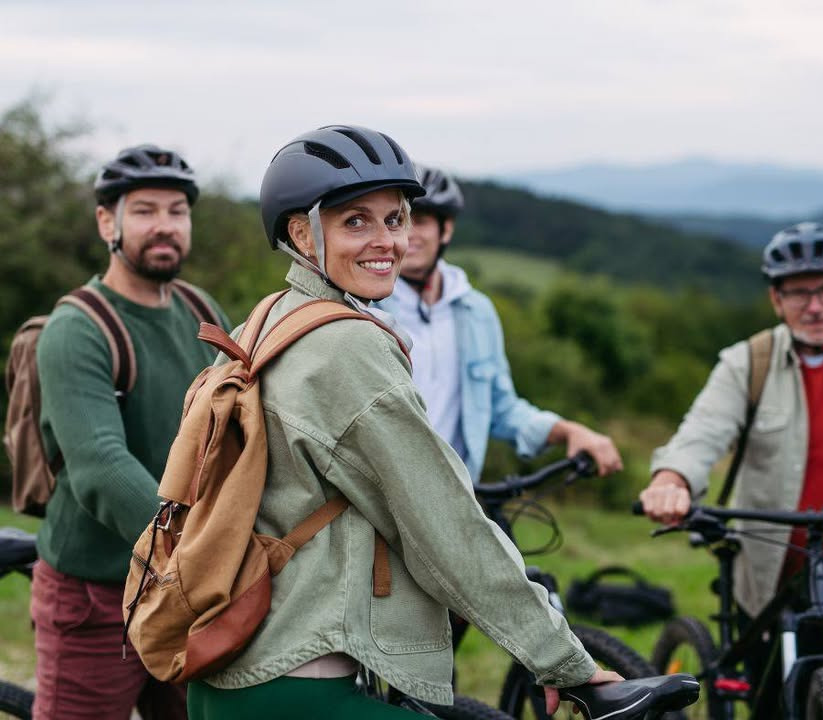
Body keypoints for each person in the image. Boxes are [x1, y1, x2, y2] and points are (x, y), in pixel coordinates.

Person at [186, 126, 620, 720]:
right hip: (300, 685)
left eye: (395, 219)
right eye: (355, 221)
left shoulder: (265, 321)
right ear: (301, 234)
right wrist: (564, 662)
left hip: (231, 672)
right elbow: (444, 524)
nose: (387, 241)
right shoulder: (347, 347)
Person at [31, 144, 231, 720]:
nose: (164, 225)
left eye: (177, 210)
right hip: (96, 596)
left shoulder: (199, 310)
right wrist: (203, 553)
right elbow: (101, 466)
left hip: (189, 594)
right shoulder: (78, 328)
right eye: (144, 211)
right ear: (107, 223)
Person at [639, 222, 823, 691]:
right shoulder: (748, 362)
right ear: (776, 299)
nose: (815, 306)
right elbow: (702, 431)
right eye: (798, 292)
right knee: (770, 696)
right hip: (771, 583)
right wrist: (672, 480)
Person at [376, 165, 623, 483]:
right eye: (398, 221)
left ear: (446, 229)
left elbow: (500, 408)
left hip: (458, 494)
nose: (409, 234)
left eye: (420, 220)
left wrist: (568, 430)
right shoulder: (366, 309)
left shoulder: (477, 312)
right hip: (386, 492)